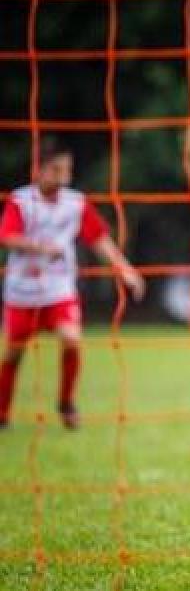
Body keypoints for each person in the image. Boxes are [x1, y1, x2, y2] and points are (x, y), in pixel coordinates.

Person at [0, 137, 145, 429]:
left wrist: (125, 269)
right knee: (14, 354)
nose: (63, 176)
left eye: (67, 170)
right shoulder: (20, 200)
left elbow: (99, 239)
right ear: (39, 169)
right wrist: (41, 248)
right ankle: (2, 413)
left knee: (72, 339)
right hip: (22, 292)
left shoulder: (75, 203)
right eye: (56, 170)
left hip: (59, 290)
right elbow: (6, 237)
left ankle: (66, 403)